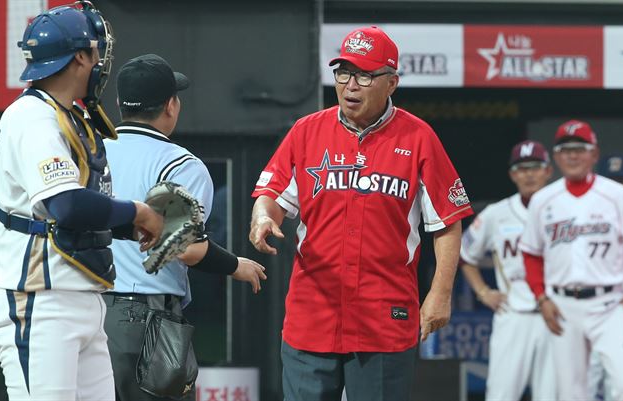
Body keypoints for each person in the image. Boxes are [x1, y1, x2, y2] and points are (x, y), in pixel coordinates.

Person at [249, 26, 473, 401]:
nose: (350, 85)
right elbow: (271, 193)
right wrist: (262, 218)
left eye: (365, 75)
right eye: (343, 73)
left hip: (384, 315)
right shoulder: (306, 132)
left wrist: (440, 294)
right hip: (314, 312)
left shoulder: (418, 138)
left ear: (392, 83)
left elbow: (447, 222)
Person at [0, 3, 164, 400]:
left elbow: (82, 211)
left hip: (84, 295)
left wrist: (134, 225)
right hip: (40, 300)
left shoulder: (69, 116)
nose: (101, 61)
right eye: (95, 52)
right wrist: (138, 212)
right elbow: (66, 206)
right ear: (79, 58)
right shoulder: (32, 117)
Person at [102, 53, 267, 401]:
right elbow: (186, 247)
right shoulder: (179, 164)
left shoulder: (91, 151)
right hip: (142, 316)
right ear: (171, 106)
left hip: (83, 308)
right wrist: (235, 265)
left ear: (119, 103)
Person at [520, 120, 623, 401]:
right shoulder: (543, 200)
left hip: (608, 304)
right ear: (556, 156)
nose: (572, 155)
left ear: (594, 154)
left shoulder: (618, 195)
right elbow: (531, 253)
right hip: (563, 306)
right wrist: (541, 298)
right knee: (572, 394)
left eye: (580, 149)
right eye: (565, 149)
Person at [460, 140, 556, 401]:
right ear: (513, 174)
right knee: (501, 394)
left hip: (558, 313)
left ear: (548, 171)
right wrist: (482, 291)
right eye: (522, 168)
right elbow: (465, 255)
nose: (529, 174)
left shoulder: (564, 209)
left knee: (555, 395)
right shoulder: (496, 214)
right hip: (514, 314)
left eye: (535, 167)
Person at [588, 154, 623, 401]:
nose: (617, 188)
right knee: (586, 378)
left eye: (622, 181)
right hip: (596, 307)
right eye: (611, 181)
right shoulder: (583, 216)